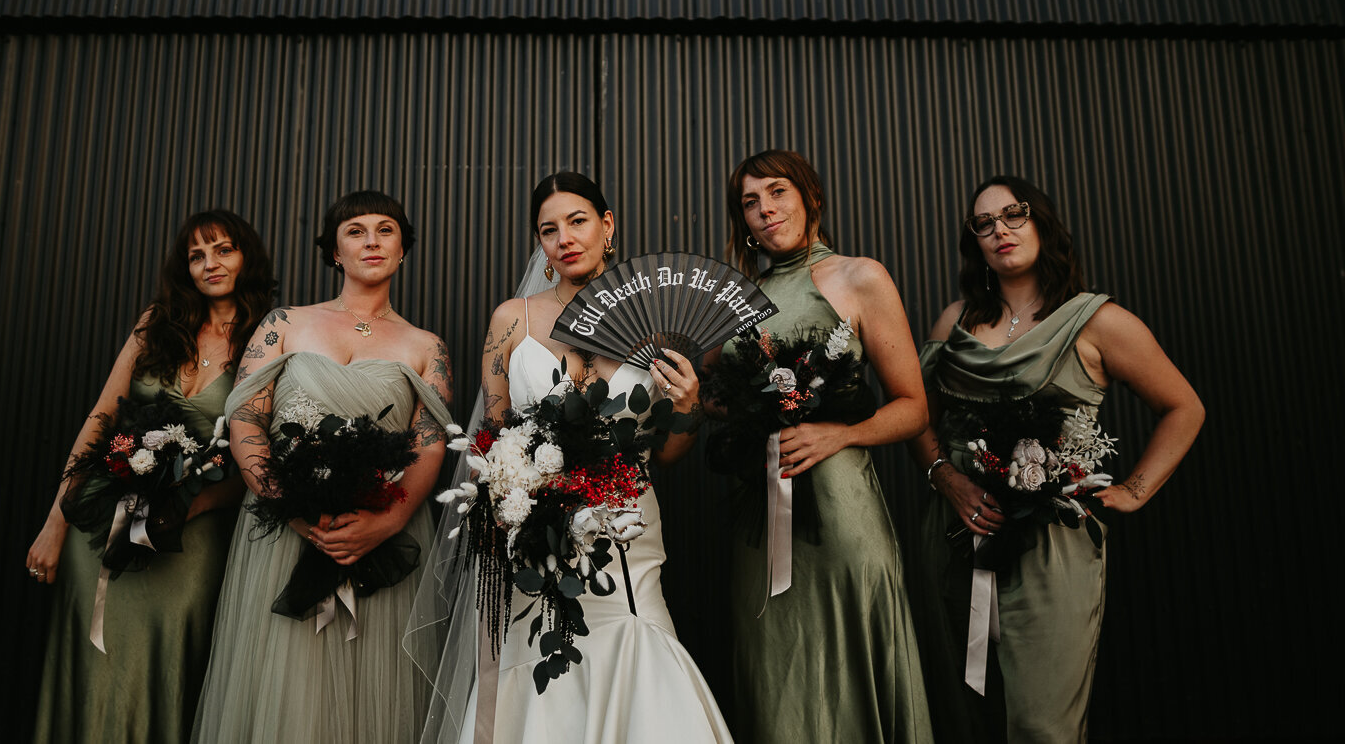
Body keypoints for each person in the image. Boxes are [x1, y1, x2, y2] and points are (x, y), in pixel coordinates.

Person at [417, 171, 732, 743]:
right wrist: (519, 494)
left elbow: (667, 454)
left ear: (607, 226)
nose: (564, 237)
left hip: (628, 528)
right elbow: (490, 436)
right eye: (548, 229)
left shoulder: (657, 325)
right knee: (540, 662)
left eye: (578, 220)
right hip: (536, 533)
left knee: (639, 647)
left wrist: (687, 408)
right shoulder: (513, 319)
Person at [907, 176, 1204, 743]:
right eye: (984, 223)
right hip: (954, 534)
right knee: (966, 716)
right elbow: (915, 413)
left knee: (1042, 723)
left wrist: (1134, 490)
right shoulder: (955, 324)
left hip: (1052, 544)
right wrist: (945, 478)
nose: (1000, 230)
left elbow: (1184, 407)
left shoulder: (1097, 321)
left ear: (1041, 221)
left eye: (1013, 214)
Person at [191, 190, 453, 743]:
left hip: (384, 535)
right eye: (355, 230)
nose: (372, 241)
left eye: (385, 230)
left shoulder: (426, 345)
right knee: (285, 694)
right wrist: (288, 506)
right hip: (285, 532)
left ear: (403, 248)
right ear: (334, 250)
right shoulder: (284, 323)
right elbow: (245, 420)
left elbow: (429, 446)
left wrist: (386, 522)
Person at [28, 209, 275, 744]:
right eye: (196, 255)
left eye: (223, 249)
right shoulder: (157, 323)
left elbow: (258, 454)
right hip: (100, 522)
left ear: (246, 255)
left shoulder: (271, 338)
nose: (210, 264)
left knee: (171, 661)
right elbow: (101, 418)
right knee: (93, 660)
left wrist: (182, 508)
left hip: (191, 533)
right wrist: (57, 522)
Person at [719, 149, 933, 742]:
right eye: (749, 202)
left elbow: (914, 407)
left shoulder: (859, 276)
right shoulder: (735, 297)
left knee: (848, 658)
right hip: (756, 516)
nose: (765, 211)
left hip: (840, 510)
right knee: (771, 671)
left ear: (810, 196)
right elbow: (718, 401)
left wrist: (842, 433)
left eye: (778, 192)